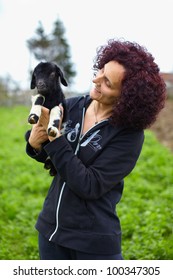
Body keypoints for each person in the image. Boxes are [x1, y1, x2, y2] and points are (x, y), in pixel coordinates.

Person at [25, 38, 166, 260]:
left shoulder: (129, 135)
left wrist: (54, 137)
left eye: (107, 82)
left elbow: (89, 185)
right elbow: (53, 156)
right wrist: (33, 144)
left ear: (127, 96)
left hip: (92, 242)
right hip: (50, 231)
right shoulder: (72, 106)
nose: (95, 79)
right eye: (100, 70)